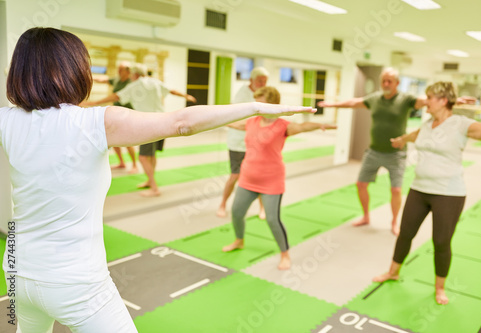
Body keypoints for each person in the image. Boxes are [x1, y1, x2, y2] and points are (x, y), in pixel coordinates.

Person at [1, 27, 315, 332]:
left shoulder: (7, 120)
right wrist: (256, 107)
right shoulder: (93, 121)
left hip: (17, 270)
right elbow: (182, 123)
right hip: (76, 282)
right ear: (73, 69)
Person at [372, 81, 481, 305]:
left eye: (429, 97)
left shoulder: (461, 124)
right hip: (419, 189)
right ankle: (393, 272)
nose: (425, 101)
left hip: (448, 194)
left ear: (442, 100)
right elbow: (415, 134)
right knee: (405, 233)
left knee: (441, 241)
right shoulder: (428, 123)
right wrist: (401, 140)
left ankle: (439, 288)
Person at [318, 68, 474, 235]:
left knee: (396, 190)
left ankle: (394, 222)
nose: (386, 84)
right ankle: (365, 216)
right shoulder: (375, 98)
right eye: (383, 80)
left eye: (389, 81)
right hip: (374, 151)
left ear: (397, 83)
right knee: (361, 184)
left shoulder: (406, 99)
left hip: (396, 154)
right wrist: (333, 104)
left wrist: (454, 100)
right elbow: (354, 103)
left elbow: (429, 101)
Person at [222, 87, 336, 270]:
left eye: (261, 102)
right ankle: (239, 240)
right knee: (236, 212)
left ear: (272, 104)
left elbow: (302, 127)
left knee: (273, 220)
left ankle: (285, 254)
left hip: (271, 181)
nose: (258, 107)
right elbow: (235, 124)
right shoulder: (252, 122)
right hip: (247, 178)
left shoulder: (282, 126)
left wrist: (320, 125)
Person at [84, 63, 197, 197]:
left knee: (143, 157)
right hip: (163, 121)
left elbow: (116, 96)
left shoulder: (136, 85)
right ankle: (150, 180)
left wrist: (94, 103)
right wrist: (186, 96)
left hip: (149, 124)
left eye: (132, 74)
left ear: (135, 74)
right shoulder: (155, 82)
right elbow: (172, 91)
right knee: (151, 155)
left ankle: (155, 188)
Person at [217, 67, 269, 219]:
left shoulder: (265, 94)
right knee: (235, 176)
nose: (262, 83)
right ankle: (223, 204)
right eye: (260, 80)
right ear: (251, 80)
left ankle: (262, 208)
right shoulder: (242, 94)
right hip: (238, 142)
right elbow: (236, 116)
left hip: (256, 142)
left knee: (258, 176)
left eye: (265, 81)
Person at [94, 61, 139, 173]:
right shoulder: (117, 80)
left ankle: (134, 164)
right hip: (116, 115)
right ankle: (122, 163)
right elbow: (103, 80)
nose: (118, 71)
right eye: (118, 69)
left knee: (128, 142)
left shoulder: (131, 82)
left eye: (121, 69)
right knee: (114, 140)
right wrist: (89, 75)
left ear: (127, 71)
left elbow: (117, 97)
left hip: (128, 115)